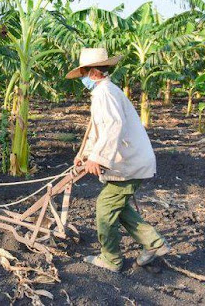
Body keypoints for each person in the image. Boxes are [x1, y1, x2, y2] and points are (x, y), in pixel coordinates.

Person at [65, 48, 170, 272]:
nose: (83, 78)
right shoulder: (105, 92)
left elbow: (114, 126)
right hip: (131, 161)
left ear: (93, 72)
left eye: (83, 73)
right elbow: (99, 130)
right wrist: (85, 155)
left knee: (105, 207)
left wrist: (99, 158)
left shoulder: (105, 94)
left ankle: (111, 260)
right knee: (117, 206)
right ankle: (154, 243)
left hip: (130, 163)